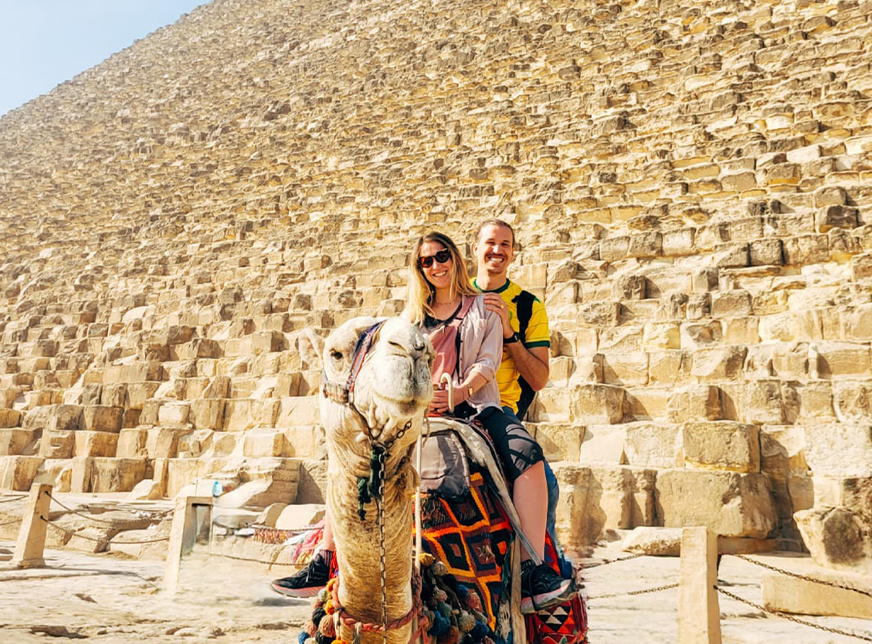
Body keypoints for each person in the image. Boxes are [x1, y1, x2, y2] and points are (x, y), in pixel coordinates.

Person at [407, 231, 573, 614]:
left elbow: (505, 367)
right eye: (427, 261)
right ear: (475, 250)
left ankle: (535, 571)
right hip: (425, 410)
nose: (436, 265)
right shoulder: (412, 320)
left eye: (441, 257)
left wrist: (462, 390)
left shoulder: (512, 306)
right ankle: (328, 559)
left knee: (534, 467)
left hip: (486, 408)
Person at [472, 219, 560, 542]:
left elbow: (538, 379)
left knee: (547, 485)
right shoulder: (455, 296)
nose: (497, 250)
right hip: (451, 403)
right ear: (475, 249)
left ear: (513, 253)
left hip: (500, 409)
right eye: (490, 243)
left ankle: (541, 561)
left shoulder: (528, 307)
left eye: (505, 244)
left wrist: (509, 333)